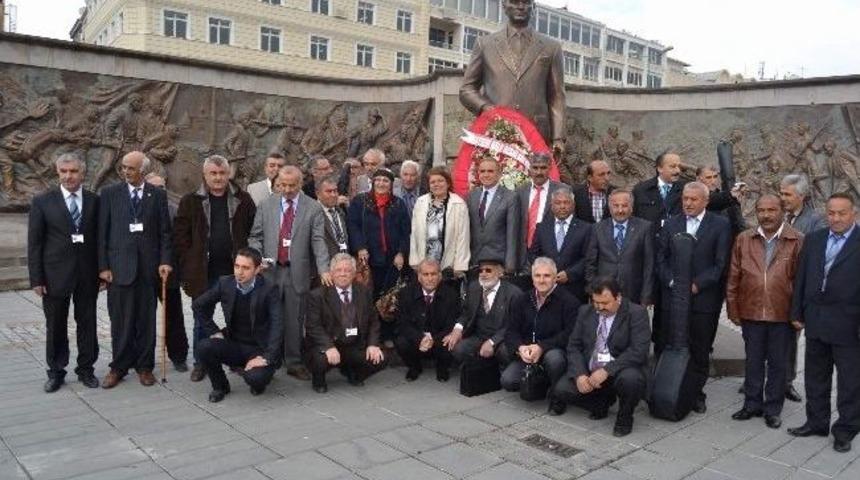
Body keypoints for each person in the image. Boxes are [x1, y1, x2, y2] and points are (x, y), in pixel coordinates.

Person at [788, 193, 860, 453]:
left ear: (854, 214)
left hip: (849, 325)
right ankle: (816, 422)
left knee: (850, 382)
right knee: (815, 376)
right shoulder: (815, 239)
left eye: (842, 213)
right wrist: (796, 312)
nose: (836, 218)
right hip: (816, 320)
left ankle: (846, 430)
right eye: (831, 213)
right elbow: (802, 277)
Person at [174, 155, 256, 381]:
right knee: (202, 318)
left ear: (229, 174)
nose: (218, 178)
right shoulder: (191, 201)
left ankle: (236, 359)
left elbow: (252, 231)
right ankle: (201, 362)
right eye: (213, 173)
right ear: (205, 175)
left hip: (236, 271)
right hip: (203, 272)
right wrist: (188, 262)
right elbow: (180, 237)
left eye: (222, 173)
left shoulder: (243, 199)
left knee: (238, 318)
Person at [726, 194, 802, 429]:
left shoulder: (797, 239)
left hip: (782, 314)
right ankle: (751, 404)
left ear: (782, 211)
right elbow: (734, 276)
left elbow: (802, 281)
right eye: (761, 210)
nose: (766, 215)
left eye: (771, 210)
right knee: (754, 361)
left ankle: (773, 409)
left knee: (778, 364)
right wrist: (733, 308)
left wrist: (798, 314)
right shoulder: (744, 239)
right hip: (751, 311)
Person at [248, 165, 331, 380]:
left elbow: (318, 240)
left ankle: (294, 362)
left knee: (294, 319)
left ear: (300, 184)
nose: (286, 190)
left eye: (291, 186)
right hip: (270, 271)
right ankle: (269, 359)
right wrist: (258, 258)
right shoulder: (266, 205)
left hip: (297, 272)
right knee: (268, 317)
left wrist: (324, 269)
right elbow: (255, 236)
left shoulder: (313, 207)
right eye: (282, 185)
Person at [97, 151, 173, 388]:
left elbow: (165, 233)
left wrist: (165, 260)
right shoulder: (110, 194)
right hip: (119, 269)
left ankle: (144, 367)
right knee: (121, 321)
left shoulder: (157, 195)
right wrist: (103, 267)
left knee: (146, 321)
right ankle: (118, 367)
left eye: (131, 168)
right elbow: (101, 232)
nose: (125, 171)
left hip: (148, 270)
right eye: (123, 167)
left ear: (143, 170)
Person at [656, 182, 732, 413]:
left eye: (693, 199)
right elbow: (661, 259)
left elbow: (720, 264)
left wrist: (697, 285)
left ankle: (696, 394)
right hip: (673, 299)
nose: (688, 203)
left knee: (700, 349)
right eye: (685, 198)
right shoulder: (671, 224)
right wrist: (674, 283)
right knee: (667, 344)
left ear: (706, 201)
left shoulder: (720, 225)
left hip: (702, 301)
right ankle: (664, 391)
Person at [28, 153, 101, 392]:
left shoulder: (94, 201)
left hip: (87, 274)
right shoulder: (42, 202)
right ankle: (56, 372)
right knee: (55, 325)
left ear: (82, 173)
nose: (68, 176)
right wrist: (37, 278)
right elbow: (35, 243)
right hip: (54, 276)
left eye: (73, 171)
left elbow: (100, 239)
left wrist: (103, 270)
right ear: (57, 172)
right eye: (64, 171)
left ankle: (86, 369)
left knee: (88, 323)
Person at [459, 0, 566, 155]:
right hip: (496, 131)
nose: (520, 7)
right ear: (504, 6)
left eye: (526, 2)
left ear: (533, 7)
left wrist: (558, 138)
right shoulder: (485, 44)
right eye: (515, 2)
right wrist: (487, 108)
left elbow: (557, 96)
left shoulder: (552, 47)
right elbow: (467, 89)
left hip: (537, 134)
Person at [550, 277, 651, 438]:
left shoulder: (636, 313)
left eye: (605, 303)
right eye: (596, 302)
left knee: (631, 380)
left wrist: (607, 370)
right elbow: (574, 346)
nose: (600, 307)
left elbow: (638, 351)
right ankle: (601, 401)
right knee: (562, 390)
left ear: (618, 297)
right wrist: (580, 374)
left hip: (619, 368)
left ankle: (624, 418)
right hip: (591, 369)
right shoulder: (585, 311)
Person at [193, 248, 283, 403]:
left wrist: (267, 358)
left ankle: (259, 376)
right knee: (204, 347)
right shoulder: (225, 283)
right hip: (234, 344)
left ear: (257, 270)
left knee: (256, 379)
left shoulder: (269, 289)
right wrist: (213, 331)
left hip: (259, 348)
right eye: (237, 266)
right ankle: (220, 386)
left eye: (246, 268)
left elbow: (277, 325)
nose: (239, 272)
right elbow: (198, 305)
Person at [502, 258, 579, 406]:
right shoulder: (522, 299)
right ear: (532, 278)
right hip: (528, 353)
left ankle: (557, 392)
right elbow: (511, 331)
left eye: (547, 276)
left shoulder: (569, 302)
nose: (541, 280)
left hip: (553, 351)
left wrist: (542, 347)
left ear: (555, 278)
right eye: (537, 276)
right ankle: (541, 381)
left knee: (555, 359)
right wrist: (520, 348)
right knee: (508, 381)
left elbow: (570, 334)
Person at [305, 253, 387, 393]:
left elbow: (373, 321)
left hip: (354, 344)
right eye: (338, 270)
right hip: (330, 343)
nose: (343, 274)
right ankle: (318, 380)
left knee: (381, 358)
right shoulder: (317, 295)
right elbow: (313, 326)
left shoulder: (363, 291)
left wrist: (372, 344)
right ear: (331, 273)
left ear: (354, 273)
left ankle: (353, 373)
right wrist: (328, 346)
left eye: (347, 270)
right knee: (320, 360)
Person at [778, 173, 826, 402]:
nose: (782, 198)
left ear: (802, 196)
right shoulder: (777, 214)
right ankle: (758, 378)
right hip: (772, 288)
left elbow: (815, 257)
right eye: (781, 193)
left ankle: (785, 382)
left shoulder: (815, 221)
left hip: (795, 290)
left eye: (787, 194)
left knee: (789, 339)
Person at [145, 172, 189, 372]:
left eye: (162, 187)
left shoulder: (174, 209)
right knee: (144, 317)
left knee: (173, 315)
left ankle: (179, 356)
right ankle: (142, 358)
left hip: (168, 272)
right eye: (154, 187)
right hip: (145, 272)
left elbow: (179, 242)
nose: (159, 191)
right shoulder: (139, 209)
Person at [444, 254, 522, 367]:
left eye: (488, 270)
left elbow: (513, 325)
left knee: (505, 352)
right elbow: (466, 313)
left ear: (500, 273)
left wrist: (492, 342)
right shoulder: (473, 287)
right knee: (457, 348)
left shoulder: (513, 293)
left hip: (502, 338)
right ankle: (477, 369)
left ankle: (500, 371)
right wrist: (457, 330)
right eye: (480, 271)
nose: (483, 274)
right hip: (478, 336)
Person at [347, 168, 411, 300]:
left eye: (385, 181)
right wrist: (360, 247)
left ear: (391, 184)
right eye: (378, 180)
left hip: (392, 258)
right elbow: (353, 226)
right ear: (373, 182)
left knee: (390, 296)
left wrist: (401, 253)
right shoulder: (360, 201)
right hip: (368, 257)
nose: (381, 184)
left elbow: (405, 231)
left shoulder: (398, 204)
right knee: (368, 293)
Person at [394, 258, 461, 382]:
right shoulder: (406, 293)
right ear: (419, 277)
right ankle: (414, 367)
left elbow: (451, 324)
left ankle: (442, 368)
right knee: (401, 342)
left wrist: (433, 339)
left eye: (433, 274)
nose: (430, 278)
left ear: (440, 276)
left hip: (439, 339)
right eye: (426, 274)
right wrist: (420, 338)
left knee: (451, 339)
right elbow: (403, 323)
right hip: (417, 338)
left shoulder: (451, 295)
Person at [585, 190, 655, 306]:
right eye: (616, 206)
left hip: (633, 293)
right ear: (609, 207)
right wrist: (593, 290)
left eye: (624, 206)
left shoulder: (644, 228)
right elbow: (590, 263)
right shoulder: (597, 229)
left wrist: (646, 295)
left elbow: (649, 265)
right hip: (604, 293)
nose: (620, 210)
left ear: (631, 207)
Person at [529, 187, 592, 302]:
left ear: (573, 205)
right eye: (558, 203)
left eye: (566, 203)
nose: (562, 206)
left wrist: (570, 274)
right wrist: (546, 272)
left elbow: (588, 257)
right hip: (546, 288)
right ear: (552, 205)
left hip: (574, 288)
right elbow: (533, 254)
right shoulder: (542, 227)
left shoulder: (586, 228)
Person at [408, 166, 470, 279]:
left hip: (447, 264)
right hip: (424, 262)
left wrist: (459, 266)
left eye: (440, 181)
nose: (436, 184)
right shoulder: (421, 202)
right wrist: (414, 261)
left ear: (448, 183)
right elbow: (414, 233)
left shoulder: (458, 204)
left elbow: (463, 237)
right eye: (433, 182)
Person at [467, 158, 520, 275]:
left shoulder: (510, 197)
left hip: (498, 261)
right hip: (474, 261)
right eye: (482, 171)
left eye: (490, 171)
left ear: (499, 174)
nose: (486, 175)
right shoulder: (472, 195)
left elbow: (512, 234)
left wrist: (510, 265)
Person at [516, 153, 563, 275]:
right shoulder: (519, 191)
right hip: (524, 254)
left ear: (550, 168)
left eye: (543, 168)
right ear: (529, 168)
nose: (539, 172)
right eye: (535, 168)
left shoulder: (562, 190)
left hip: (551, 253)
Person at [632, 150, 686, 230]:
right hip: (650, 236)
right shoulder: (641, 190)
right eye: (673, 166)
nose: (678, 171)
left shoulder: (686, 189)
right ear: (660, 168)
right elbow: (634, 219)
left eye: (679, 167)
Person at [697, 165, 746, 236]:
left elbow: (737, 220)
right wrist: (731, 195)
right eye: (708, 177)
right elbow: (710, 200)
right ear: (699, 179)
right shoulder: (694, 196)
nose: (713, 181)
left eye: (715, 177)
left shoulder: (722, 195)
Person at [316, 175, 350, 259]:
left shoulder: (341, 211)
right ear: (318, 194)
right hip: (324, 264)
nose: (333, 195)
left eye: (335, 191)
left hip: (344, 262)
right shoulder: (312, 214)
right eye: (329, 191)